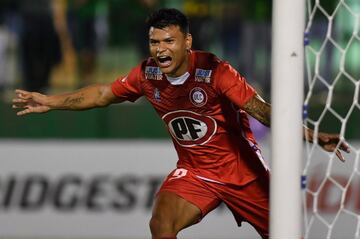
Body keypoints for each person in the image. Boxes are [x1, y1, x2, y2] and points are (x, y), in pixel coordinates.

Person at [12, 8, 350, 239]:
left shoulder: (216, 71)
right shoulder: (147, 74)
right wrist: (49, 101)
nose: (160, 50)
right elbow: (102, 94)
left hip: (242, 173)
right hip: (196, 173)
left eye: (168, 41)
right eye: (154, 42)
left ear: (187, 42)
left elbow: (260, 111)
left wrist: (310, 135)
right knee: (161, 223)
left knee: (286, 233)